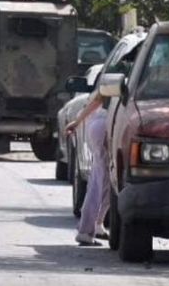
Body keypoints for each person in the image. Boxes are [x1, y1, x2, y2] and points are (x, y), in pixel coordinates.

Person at [65, 91, 109, 246]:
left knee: (102, 183)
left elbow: (97, 100)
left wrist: (78, 121)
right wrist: (77, 122)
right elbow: (98, 99)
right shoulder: (128, 74)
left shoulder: (113, 75)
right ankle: (85, 231)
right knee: (101, 184)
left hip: (98, 125)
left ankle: (96, 225)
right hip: (106, 127)